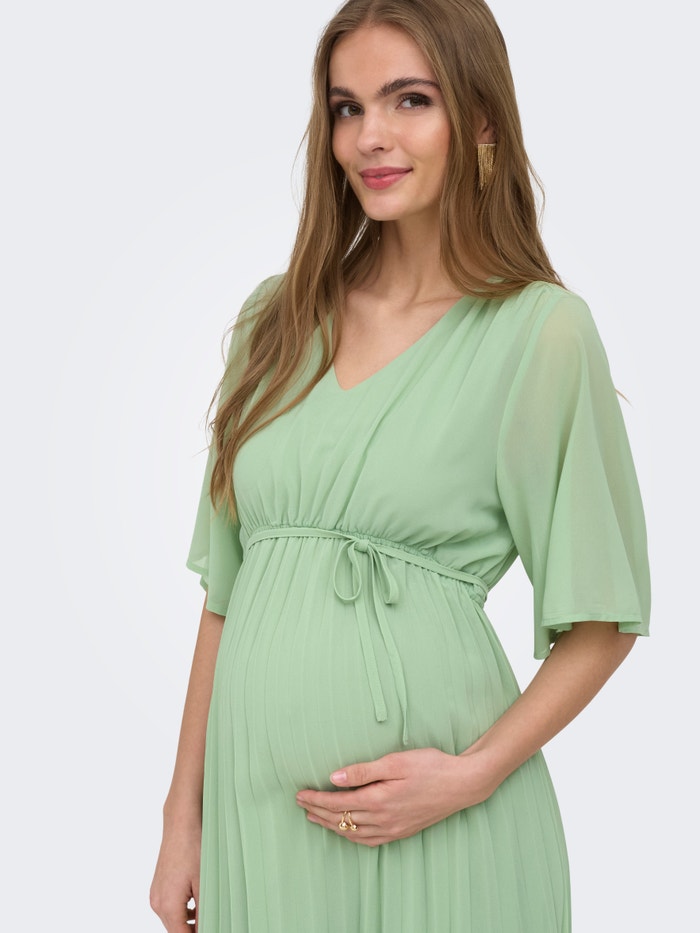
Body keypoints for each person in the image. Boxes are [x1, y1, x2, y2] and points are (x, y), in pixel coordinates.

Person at [150, 0, 650, 930]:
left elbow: (602, 619)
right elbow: (224, 595)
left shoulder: (539, 331)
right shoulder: (274, 322)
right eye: (347, 108)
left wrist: (470, 776)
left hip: (443, 831)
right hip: (259, 826)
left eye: (409, 100)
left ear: (482, 121)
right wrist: (183, 816)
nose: (370, 137)